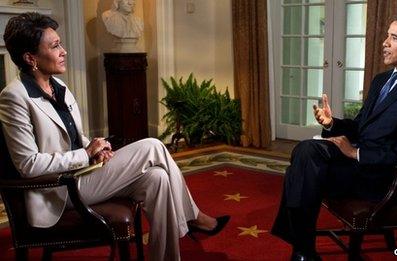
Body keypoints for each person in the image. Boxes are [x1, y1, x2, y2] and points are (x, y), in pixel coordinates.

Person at [0, 12, 229, 261]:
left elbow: (75, 137)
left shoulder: (58, 86)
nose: (64, 51)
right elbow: (28, 164)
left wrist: (94, 148)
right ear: (30, 58)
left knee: (158, 178)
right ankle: (194, 218)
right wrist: (85, 155)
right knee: (153, 145)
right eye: (55, 46)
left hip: (84, 174)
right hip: (60, 189)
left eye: (61, 43)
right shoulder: (14, 97)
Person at [271, 14, 397, 261]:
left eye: (394, 38)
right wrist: (332, 123)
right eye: (387, 35)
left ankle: (302, 249)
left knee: (299, 172)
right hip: (357, 166)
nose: (385, 42)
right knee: (306, 151)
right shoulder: (382, 80)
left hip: (384, 175)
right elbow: (360, 127)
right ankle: (304, 250)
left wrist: (356, 153)